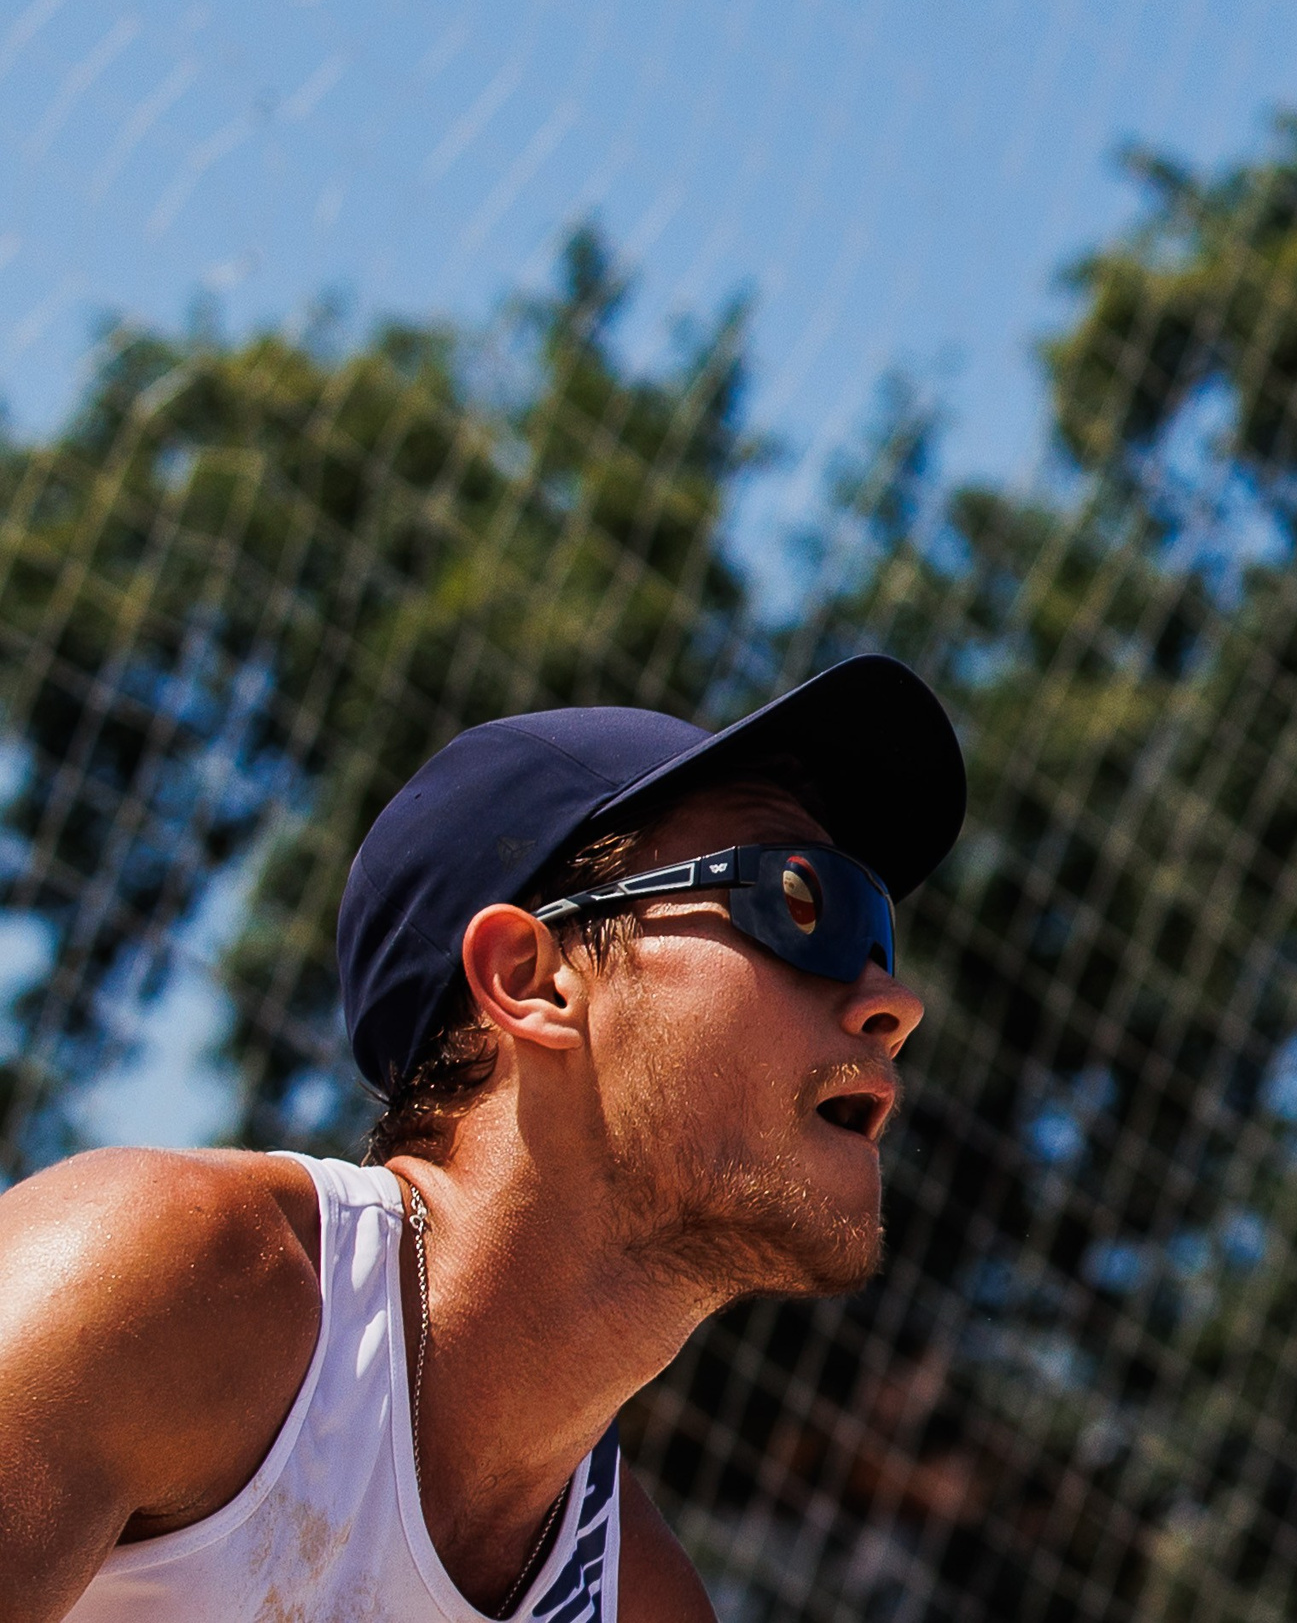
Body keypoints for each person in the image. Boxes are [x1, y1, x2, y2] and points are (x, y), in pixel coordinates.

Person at [0, 654, 967, 1622]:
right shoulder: (163, 1287)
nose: (895, 1003)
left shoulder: (646, 1604)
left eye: (878, 935)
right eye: (805, 902)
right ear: (532, 979)